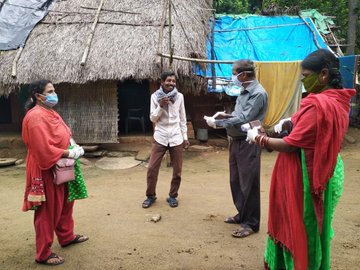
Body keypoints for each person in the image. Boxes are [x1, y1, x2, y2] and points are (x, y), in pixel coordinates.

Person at [246, 49, 356, 269]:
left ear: (323, 74)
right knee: (313, 228)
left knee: (300, 227)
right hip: (328, 171)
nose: (303, 81)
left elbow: (290, 144)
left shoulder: (318, 105)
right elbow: (311, 129)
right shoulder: (336, 100)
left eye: (306, 76)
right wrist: (290, 121)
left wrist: (259, 138)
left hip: (306, 177)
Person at [22, 80, 89, 266]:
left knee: (66, 202)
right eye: (50, 91)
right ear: (38, 96)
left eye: (54, 90)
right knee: (48, 210)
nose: (54, 94)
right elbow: (42, 150)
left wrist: (73, 144)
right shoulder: (35, 117)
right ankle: (43, 253)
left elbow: (64, 132)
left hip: (62, 166)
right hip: (46, 169)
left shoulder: (50, 112)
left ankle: (66, 237)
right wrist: (69, 152)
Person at [205, 59, 268, 238]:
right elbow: (238, 115)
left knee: (249, 184)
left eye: (234, 73)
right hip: (235, 141)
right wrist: (224, 115)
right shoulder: (243, 91)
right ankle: (242, 214)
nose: (233, 76)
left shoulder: (258, 94)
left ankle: (251, 223)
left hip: (248, 142)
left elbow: (244, 117)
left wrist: (218, 123)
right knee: (236, 181)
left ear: (245, 74)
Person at [142, 71, 190, 208]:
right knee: (152, 168)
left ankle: (172, 196)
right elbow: (152, 118)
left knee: (177, 170)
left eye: (173, 81)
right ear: (162, 82)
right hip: (160, 136)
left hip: (176, 137)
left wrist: (185, 137)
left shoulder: (179, 97)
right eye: (168, 80)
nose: (171, 83)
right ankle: (150, 196)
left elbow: (182, 118)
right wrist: (161, 106)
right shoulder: (154, 97)